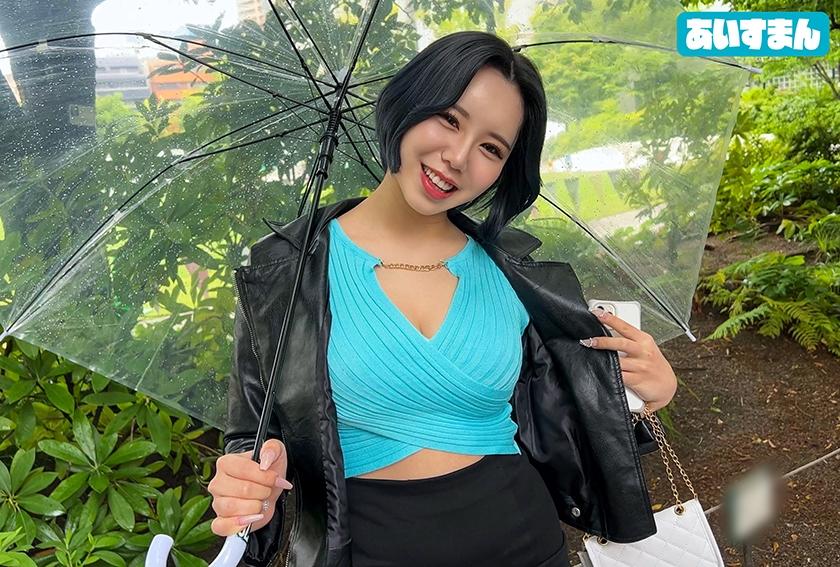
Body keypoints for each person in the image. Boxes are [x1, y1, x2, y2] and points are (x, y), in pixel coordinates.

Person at [208, 31, 678, 567]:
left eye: (491, 148)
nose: (457, 157)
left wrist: (647, 398)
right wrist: (246, 485)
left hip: (525, 543)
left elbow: (565, 425)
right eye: (450, 119)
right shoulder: (284, 273)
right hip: (365, 552)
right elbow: (252, 435)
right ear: (408, 105)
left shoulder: (516, 273)